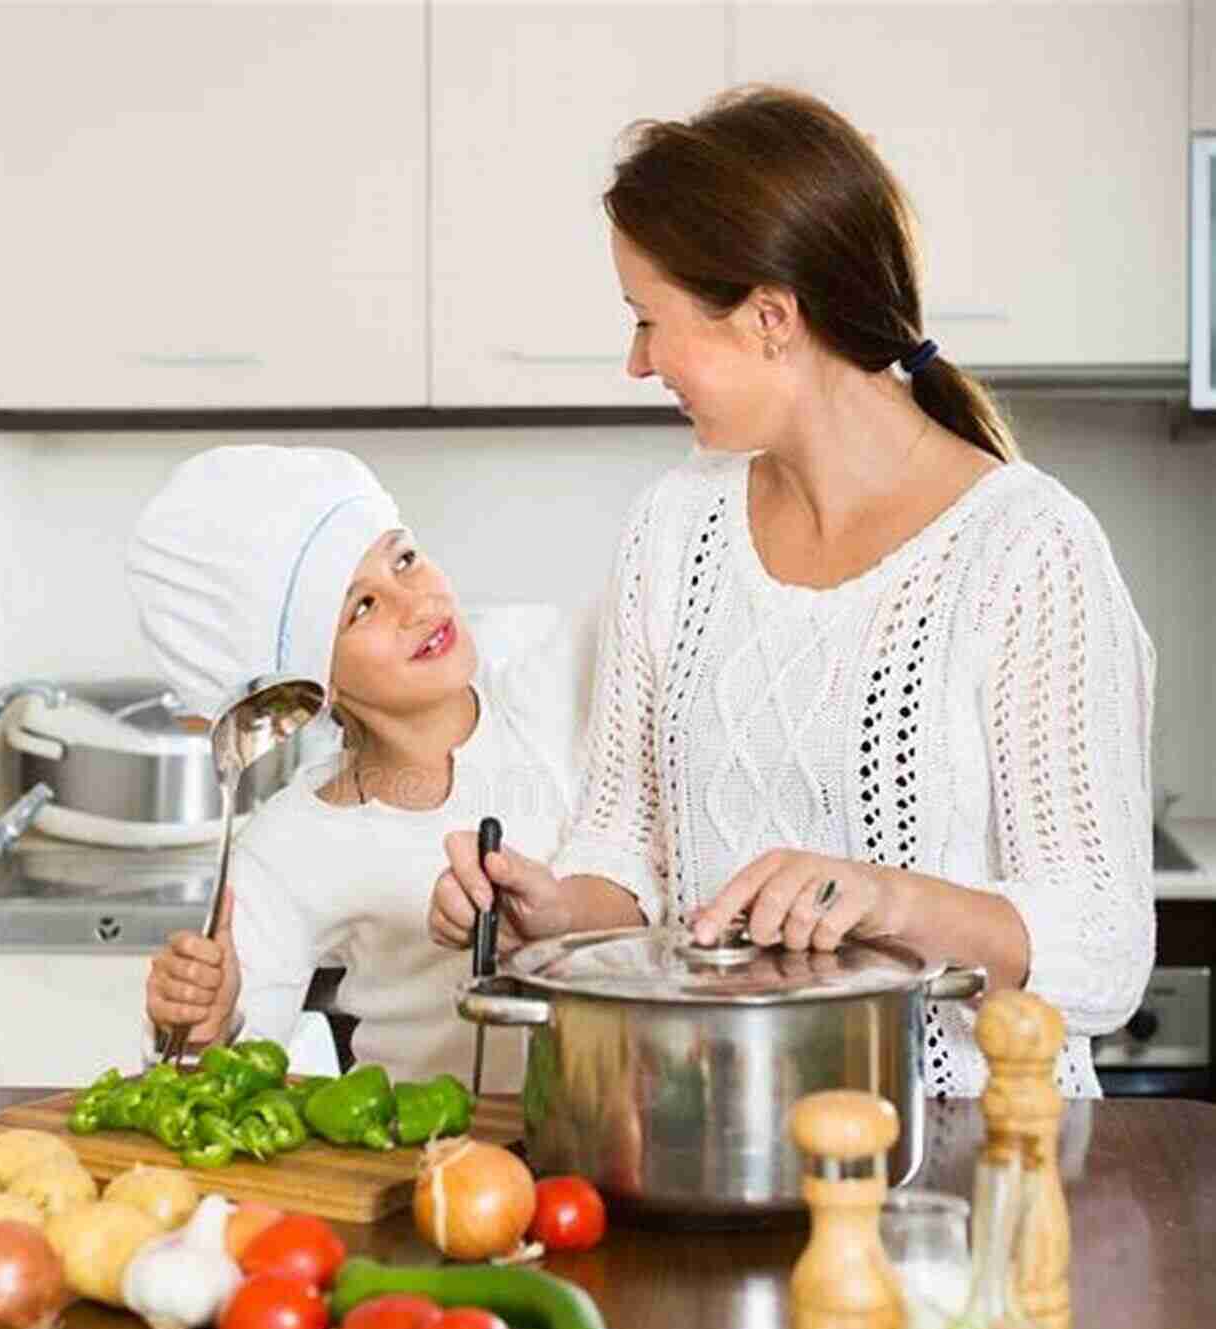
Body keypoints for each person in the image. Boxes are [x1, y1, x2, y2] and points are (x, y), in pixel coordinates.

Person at [429, 86, 1155, 1098]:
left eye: (650, 321)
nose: (637, 362)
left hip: (961, 1157)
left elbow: (1107, 950)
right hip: (710, 1134)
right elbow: (625, 853)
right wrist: (549, 907)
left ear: (771, 318)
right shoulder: (672, 529)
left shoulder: (1027, 551)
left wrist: (887, 899)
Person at [128, 444, 579, 1089]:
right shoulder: (290, 844)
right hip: (423, 1167)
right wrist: (204, 1026)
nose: (417, 604)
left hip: (610, 1146)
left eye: (405, 559)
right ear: (314, 683)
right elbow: (215, 1079)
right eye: (361, 607)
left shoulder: (563, 692)